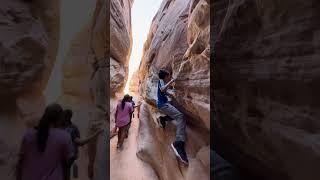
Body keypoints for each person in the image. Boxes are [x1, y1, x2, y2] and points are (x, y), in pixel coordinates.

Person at [16, 103, 73, 180]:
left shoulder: (28, 135)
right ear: (60, 118)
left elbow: (20, 162)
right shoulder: (64, 136)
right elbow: (68, 161)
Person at [157, 69, 188, 165]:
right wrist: (172, 81)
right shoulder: (161, 81)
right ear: (165, 76)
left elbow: (165, 92)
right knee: (180, 116)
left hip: (163, 104)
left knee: (175, 114)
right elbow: (162, 89)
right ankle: (178, 143)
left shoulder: (162, 82)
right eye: (169, 76)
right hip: (163, 105)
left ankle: (162, 119)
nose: (169, 77)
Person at [62, 109, 103, 180]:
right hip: (70, 157)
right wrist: (97, 133)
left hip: (67, 157)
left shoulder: (62, 128)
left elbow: (80, 142)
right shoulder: (73, 128)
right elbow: (80, 142)